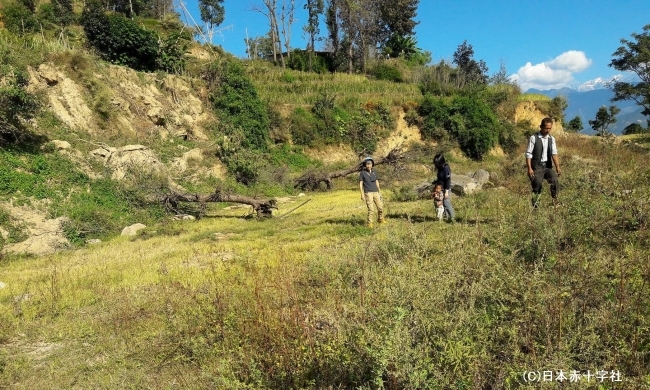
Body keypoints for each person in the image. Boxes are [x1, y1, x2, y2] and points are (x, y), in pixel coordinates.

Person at [525, 117, 562, 208]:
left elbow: (554, 153)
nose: (548, 130)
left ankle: (555, 201)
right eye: (546, 128)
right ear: (541, 127)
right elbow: (528, 154)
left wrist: (557, 166)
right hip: (537, 167)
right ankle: (535, 207)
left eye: (549, 128)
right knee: (537, 185)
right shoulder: (534, 138)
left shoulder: (551, 139)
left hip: (547, 166)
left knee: (554, 181)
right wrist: (529, 168)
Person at [359, 156, 385, 227]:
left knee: (380, 207)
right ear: (365, 165)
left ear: (372, 164)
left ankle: (380, 219)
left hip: (376, 192)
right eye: (367, 164)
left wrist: (379, 191)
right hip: (368, 193)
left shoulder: (374, 172)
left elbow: (377, 181)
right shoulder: (363, 173)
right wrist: (362, 194)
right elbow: (361, 184)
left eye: (370, 164)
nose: (368, 165)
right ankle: (370, 223)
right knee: (371, 209)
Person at [433, 153, 455, 222]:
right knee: (440, 203)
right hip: (440, 188)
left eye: (437, 163)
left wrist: (446, 191)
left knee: (446, 203)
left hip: (446, 188)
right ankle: (446, 217)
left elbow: (448, 180)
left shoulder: (446, 168)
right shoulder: (440, 168)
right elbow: (440, 179)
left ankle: (453, 218)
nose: (436, 165)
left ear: (441, 161)